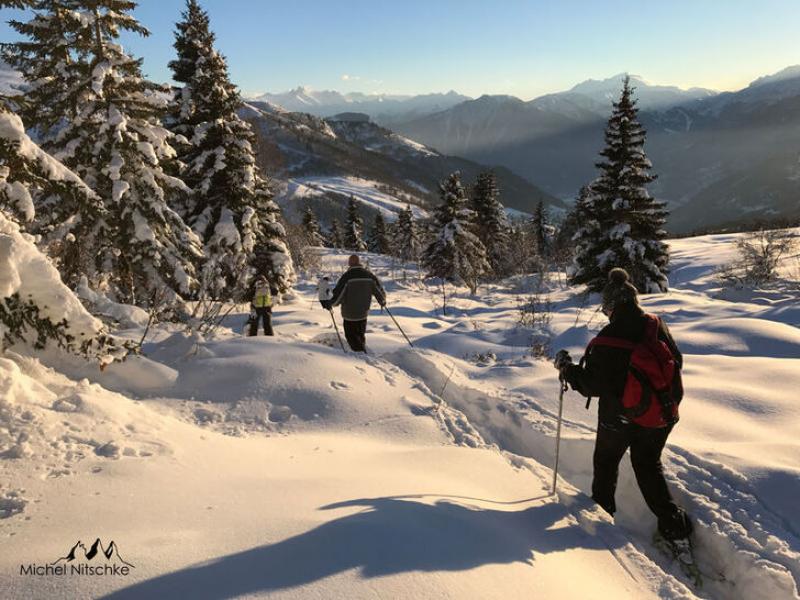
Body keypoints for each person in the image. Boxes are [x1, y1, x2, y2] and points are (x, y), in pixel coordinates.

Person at [553, 267, 692, 544]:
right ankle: (674, 527)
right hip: (662, 411)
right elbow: (676, 361)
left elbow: (592, 384)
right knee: (647, 463)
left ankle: (603, 519)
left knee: (606, 462)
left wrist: (567, 369)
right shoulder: (656, 324)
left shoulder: (608, 339)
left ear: (611, 305)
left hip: (618, 418)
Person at [321, 255, 386, 352]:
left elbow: (338, 296)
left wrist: (330, 303)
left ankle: (361, 358)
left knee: (352, 340)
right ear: (359, 262)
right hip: (363, 314)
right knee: (360, 336)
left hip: (349, 315)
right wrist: (382, 301)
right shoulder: (369, 275)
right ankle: (363, 354)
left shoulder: (347, 277)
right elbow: (379, 292)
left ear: (349, 263)